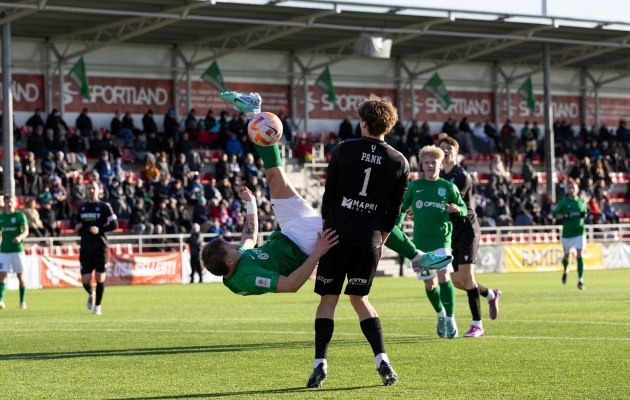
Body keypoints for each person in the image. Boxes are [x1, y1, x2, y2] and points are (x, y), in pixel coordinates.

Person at [201, 92, 447, 385]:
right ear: (229, 261)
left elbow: (249, 235)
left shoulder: (237, 256)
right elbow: (291, 285)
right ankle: (417, 256)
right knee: (366, 216)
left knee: (275, 177)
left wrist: (250, 204)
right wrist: (317, 253)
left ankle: (254, 114)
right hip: (307, 242)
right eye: (230, 246)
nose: (234, 244)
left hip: (289, 228)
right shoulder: (246, 279)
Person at [312, 95, 451, 388]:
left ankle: (320, 364)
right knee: (360, 299)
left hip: (336, 235)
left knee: (328, 299)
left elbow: (329, 193)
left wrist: (327, 225)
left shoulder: (342, 150)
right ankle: (382, 359)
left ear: (363, 122)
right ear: (388, 126)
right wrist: (382, 237)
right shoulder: (399, 160)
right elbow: (394, 209)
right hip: (369, 241)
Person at [397, 145, 466, 341]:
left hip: (441, 239)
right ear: (422, 165)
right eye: (426, 162)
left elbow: (463, 207)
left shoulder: (447, 187)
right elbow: (401, 208)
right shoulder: (414, 186)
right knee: (430, 285)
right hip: (420, 243)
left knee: (444, 275)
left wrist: (456, 208)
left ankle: (451, 317)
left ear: (440, 164)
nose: (429, 165)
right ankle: (441, 315)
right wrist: (397, 228)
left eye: (433, 162)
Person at [438, 135, 501, 338]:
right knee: (457, 281)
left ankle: (477, 325)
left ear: (456, 153)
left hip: (467, 229)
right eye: (442, 148)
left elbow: (451, 201)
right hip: (452, 232)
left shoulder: (461, 176)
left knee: (467, 277)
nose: (445, 151)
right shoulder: (438, 177)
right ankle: (490, 294)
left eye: (449, 148)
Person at [75, 181, 119, 315]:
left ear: (98, 190)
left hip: (100, 247)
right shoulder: (81, 207)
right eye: (89, 188)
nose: (91, 190)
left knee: (100, 278)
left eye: (93, 188)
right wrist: (77, 227)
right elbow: (77, 223)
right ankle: (91, 292)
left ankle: (98, 306)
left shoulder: (105, 206)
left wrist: (100, 229)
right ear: (86, 190)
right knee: (85, 280)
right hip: (86, 247)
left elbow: (115, 224)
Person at [552, 179, 588, 290]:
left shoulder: (582, 202)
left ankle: (580, 280)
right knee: (566, 255)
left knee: (580, 254)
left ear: (577, 189)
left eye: (573, 188)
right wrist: (565, 216)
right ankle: (566, 270)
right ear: (567, 190)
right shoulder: (564, 202)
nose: (572, 190)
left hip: (579, 232)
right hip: (567, 233)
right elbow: (554, 214)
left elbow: (585, 213)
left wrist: (584, 215)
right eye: (570, 188)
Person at [0, 196, 29, 309]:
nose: (9, 204)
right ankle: (1, 300)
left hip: (17, 250)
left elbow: (26, 231)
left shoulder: (19, 215)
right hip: (4, 251)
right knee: (2, 275)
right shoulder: (1, 217)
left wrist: (20, 237)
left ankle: (22, 301)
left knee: (20, 275)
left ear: (15, 203)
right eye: (7, 202)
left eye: (11, 202)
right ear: (4, 203)